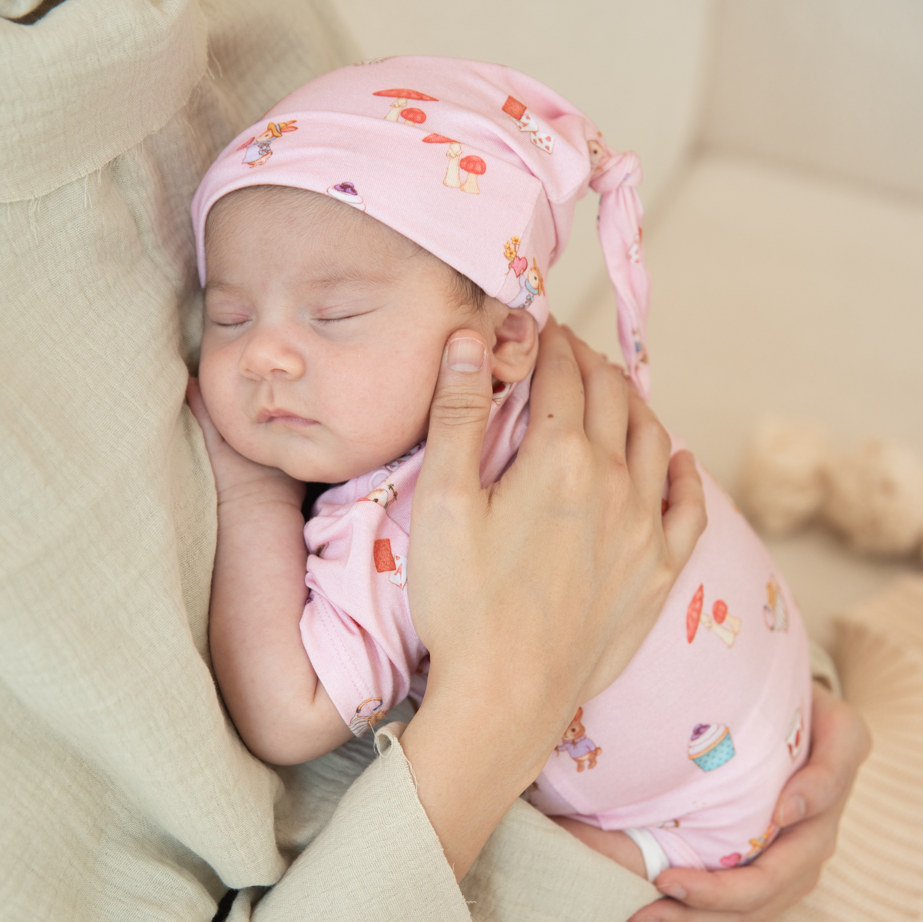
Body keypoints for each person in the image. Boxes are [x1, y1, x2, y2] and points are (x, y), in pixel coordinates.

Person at [186, 51, 846, 892]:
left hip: (693, 827)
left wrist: (248, 489)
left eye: (335, 315)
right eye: (229, 317)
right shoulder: (556, 414)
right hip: (781, 708)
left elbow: (287, 713)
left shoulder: (406, 510)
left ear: (502, 343)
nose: (264, 356)